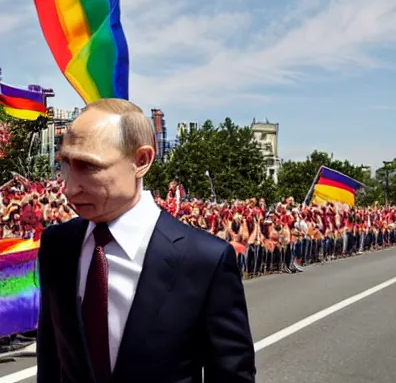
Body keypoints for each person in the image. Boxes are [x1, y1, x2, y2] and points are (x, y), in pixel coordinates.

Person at [36, 99, 256, 383]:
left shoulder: (204, 259)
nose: (69, 186)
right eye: (65, 163)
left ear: (141, 161)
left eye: (88, 166)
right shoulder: (58, 245)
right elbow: (52, 360)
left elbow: (231, 375)